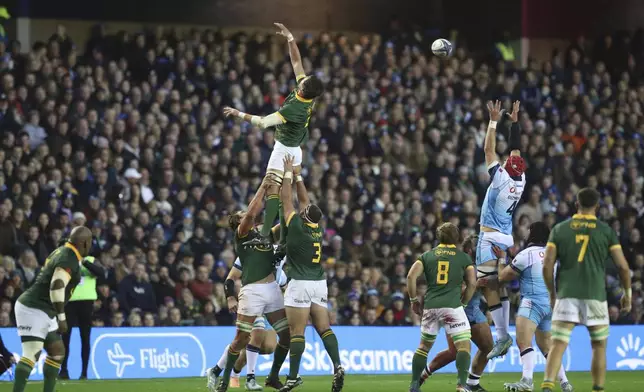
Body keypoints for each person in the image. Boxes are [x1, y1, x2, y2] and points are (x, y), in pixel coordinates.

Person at [223, 22, 324, 248]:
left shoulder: (293, 109)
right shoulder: (308, 95)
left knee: (271, 188)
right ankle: (284, 235)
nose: (301, 77)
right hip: (296, 148)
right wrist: (290, 38)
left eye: (303, 81)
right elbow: (296, 61)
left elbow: (262, 122)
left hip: (285, 147)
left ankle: (265, 233)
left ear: (302, 90)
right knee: (283, 191)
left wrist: (237, 113)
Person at [541, 188, 632, 392]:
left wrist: (552, 293)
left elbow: (547, 265)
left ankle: (547, 386)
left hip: (566, 294)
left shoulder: (560, 229)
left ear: (576, 205)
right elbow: (623, 267)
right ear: (597, 207)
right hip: (595, 296)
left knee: (558, 344)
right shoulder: (605, 231)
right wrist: (628, 294)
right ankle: (598, 388)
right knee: (599, 346)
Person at [212, 178, 290, 392]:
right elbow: (251, 213)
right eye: (242, 217)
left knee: (285, 336)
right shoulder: (242, 236)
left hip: (273, 290)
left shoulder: (264, 235)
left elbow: (283, 225)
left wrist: (285, 198)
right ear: (239, 224)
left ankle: (272, 377)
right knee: (242, 338)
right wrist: (264, 187)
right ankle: (226, 379)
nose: (247, 217)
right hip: (252, 292)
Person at [279, 155, 344, 392]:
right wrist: (298, 176)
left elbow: (287, 201)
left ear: (305, 215)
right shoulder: (318, 228)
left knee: (297, 331)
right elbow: (304, 201)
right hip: (319, 283)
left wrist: (287, 174)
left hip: (300, 282)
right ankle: (337, 365)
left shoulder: (296, 227)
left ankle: (293, 376)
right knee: (324, 328)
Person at [492, 222, 573, 392]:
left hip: (532, 303)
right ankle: (565, 384)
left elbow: (502, 276)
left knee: (523, 341)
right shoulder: (552, 254)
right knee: (546, 348)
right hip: (549, 305)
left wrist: (501, 258)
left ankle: (527, 380)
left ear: (533, 234)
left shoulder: (526, 254)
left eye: (529, 231)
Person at [12, 226, 92, 392]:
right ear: (84, 243)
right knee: (31, 353)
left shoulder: (65, 252)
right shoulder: (68, 258)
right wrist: (62, 317)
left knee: (57, 351)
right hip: (33, 307)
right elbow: (57, 286)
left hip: (45, 309)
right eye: (90, 242)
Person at [478, 100, 526, 359]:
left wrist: (494, 121)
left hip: (489, 236)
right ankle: (504, 334)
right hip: (506, 237)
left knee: (488, 285)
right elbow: (516, 147)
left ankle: (502, 336)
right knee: (501, 286)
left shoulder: (500, 179)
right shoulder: (521, 181)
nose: (510, 157)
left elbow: (488, 148)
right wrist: (515, 122)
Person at [407, 222, 477, 392]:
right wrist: (464, 303)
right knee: (463, 346)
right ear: (457, 237)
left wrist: (413, 300)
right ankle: (461, 385)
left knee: (423, 347)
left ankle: (415, 384)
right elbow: (472, 283)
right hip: (452, 307)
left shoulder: (426, 256)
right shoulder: (462, 257)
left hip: (431, 307)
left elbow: (410, 276)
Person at [420, 234, 493, 392]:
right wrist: (475, 284)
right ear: (469, 249)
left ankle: (470, 382)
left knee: (479, 348)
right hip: (461, 310)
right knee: (467, 350)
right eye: (478, 247)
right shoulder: (460, 265)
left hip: (468, 310)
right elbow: (455, 291)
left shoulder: (479, 265)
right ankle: (467, 384)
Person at [208, 252, 288, 389]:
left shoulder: (280, 263)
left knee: (267, 347)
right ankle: (249, 378)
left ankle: (219, 369)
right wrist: (230, 296)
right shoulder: (247, 252)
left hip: (270, 307)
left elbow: (286, 288)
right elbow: (232, 277)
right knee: (254, 337)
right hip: (252, 299)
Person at [59, 255, 105, 380]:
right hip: (69, 302)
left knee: (85, 336)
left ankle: (84, 372)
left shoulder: (91, 260)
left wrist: (84, 262)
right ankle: (63, 370)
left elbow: (101, 273)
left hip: (86, 302)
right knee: (65, 337)